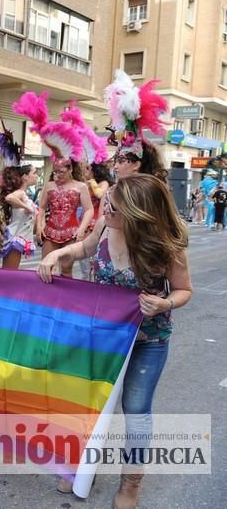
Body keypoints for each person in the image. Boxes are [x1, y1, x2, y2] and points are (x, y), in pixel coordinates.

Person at [38, 174, 192, 509]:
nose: (104, 209)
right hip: (101, 337)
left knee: (136, 410)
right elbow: (85, 248)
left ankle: (131, 481)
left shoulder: (167, 246)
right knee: (89, 400)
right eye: (106, 202)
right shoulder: (105, 227)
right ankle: (81, 466)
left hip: (146, 339)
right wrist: (58, 255)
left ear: (138, 213)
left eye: (114, 207)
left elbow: (184, 290)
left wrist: (166, 303)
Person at [35, 156, 94, 277]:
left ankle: (65, 296)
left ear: (70, 169)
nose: (58, 175)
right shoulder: (49, 185)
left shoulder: (81, 186)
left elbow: (89, 210)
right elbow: (41, 207)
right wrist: (39, 226)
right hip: (50, 231)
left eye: (61, 172)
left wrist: (82, 229)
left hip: (71, 232)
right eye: (55, 172)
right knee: (46, 266)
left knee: (66, 269)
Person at [0, 164, 39, 269]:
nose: (37, 176)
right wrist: (27, 207)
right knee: (9, 273)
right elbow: (9, 198)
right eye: (34, 173)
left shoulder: (24, 194)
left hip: (18, 236)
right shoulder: (20, 193)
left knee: (10, 272)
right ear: (25, 177)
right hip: (15, 237)